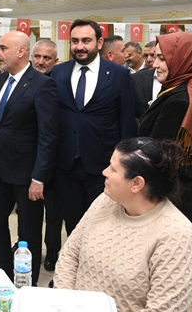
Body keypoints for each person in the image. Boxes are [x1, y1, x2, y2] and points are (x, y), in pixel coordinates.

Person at [54, 138, 192, 312]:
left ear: (136, 184)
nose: (104, 172)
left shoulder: (178, 237)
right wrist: (66, 304)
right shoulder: (106, 201)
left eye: (113, 169)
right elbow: (70, 255)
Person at [0, 31, 59, 286]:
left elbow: (48, 135)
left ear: (20, 51)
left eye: (2, 48)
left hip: (28, 175)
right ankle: (4, 273)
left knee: (28, 231)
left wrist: (39, 177)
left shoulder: (42, 85)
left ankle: (27, 283)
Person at [51, 19, 136, 234]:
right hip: (66, 166)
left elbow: (127, 124)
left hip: (104, 167)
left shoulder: (119, 74)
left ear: (99, 43)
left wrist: (124, 166)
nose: (79, 46)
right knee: (73, 226)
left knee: (102, 228)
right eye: (75, 41)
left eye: (86, 41)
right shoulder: (58, 72)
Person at [137, 32, 192, 224]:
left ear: (184, 59)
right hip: (183, 194)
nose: (154, 64)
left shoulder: (180, 100)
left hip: (168, 199)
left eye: (162, 58)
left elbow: (159, 156)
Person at [30, 39, 62, 271]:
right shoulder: (24, 80)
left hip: (53, 160)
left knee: (53, 212)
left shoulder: (59, 83)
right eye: (37, 56)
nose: (41, 62)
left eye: (46, 58)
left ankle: (52, 250)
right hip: (27, 159)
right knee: (27, 211)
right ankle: (24, 245)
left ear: (55, 61)